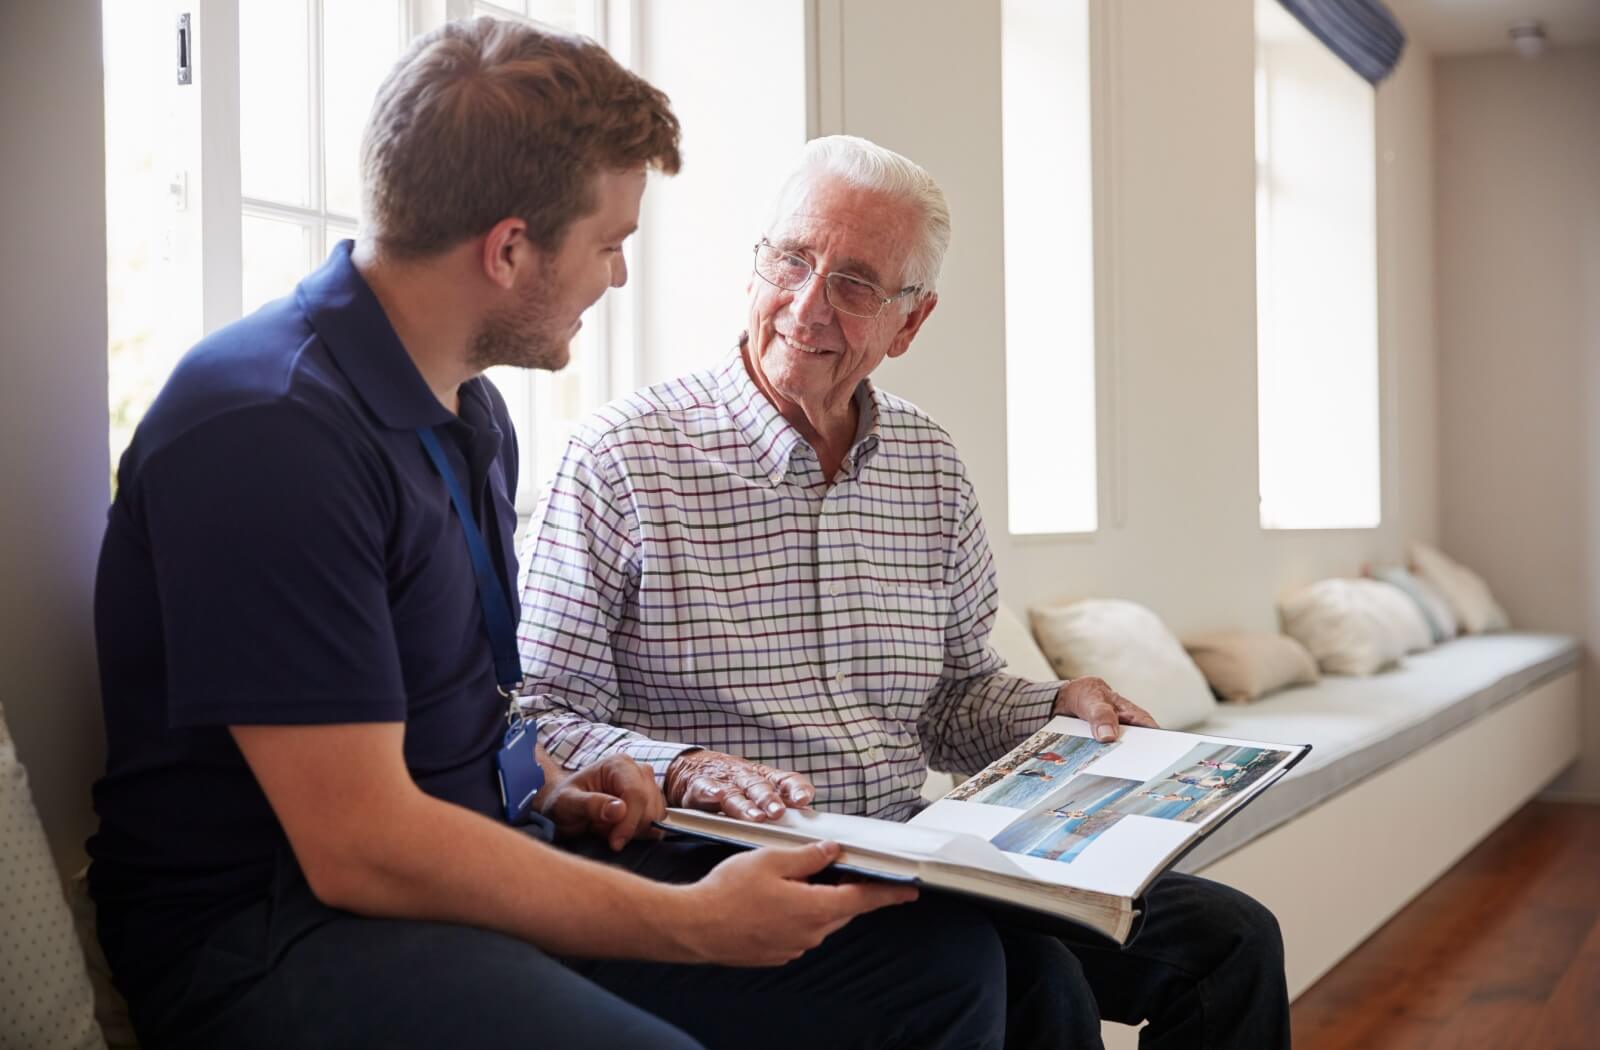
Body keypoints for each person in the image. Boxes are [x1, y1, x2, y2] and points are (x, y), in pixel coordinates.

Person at [87, 23, 1016, 1050]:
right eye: (610, 242)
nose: (618, 277)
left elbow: (471, 713)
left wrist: (555, 784)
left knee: (941, 975)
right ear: (511, 248)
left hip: (455, 874)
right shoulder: (265, 427)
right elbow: (360, 849)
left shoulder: (469, 418)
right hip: (276, 931)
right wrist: (693, 925)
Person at [516, 133, 1292, 1049]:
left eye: (854, 284)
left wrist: (1058, 706)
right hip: (722, 861)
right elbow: (539, 717)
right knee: (1038, 981)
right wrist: (688, 767)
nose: (808, 305)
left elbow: (956, 700)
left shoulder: (928, 465)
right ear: (755, 264)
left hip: (919, 845)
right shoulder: (619, 457)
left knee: (1235, 942)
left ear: (909, 324)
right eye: (792, 260)